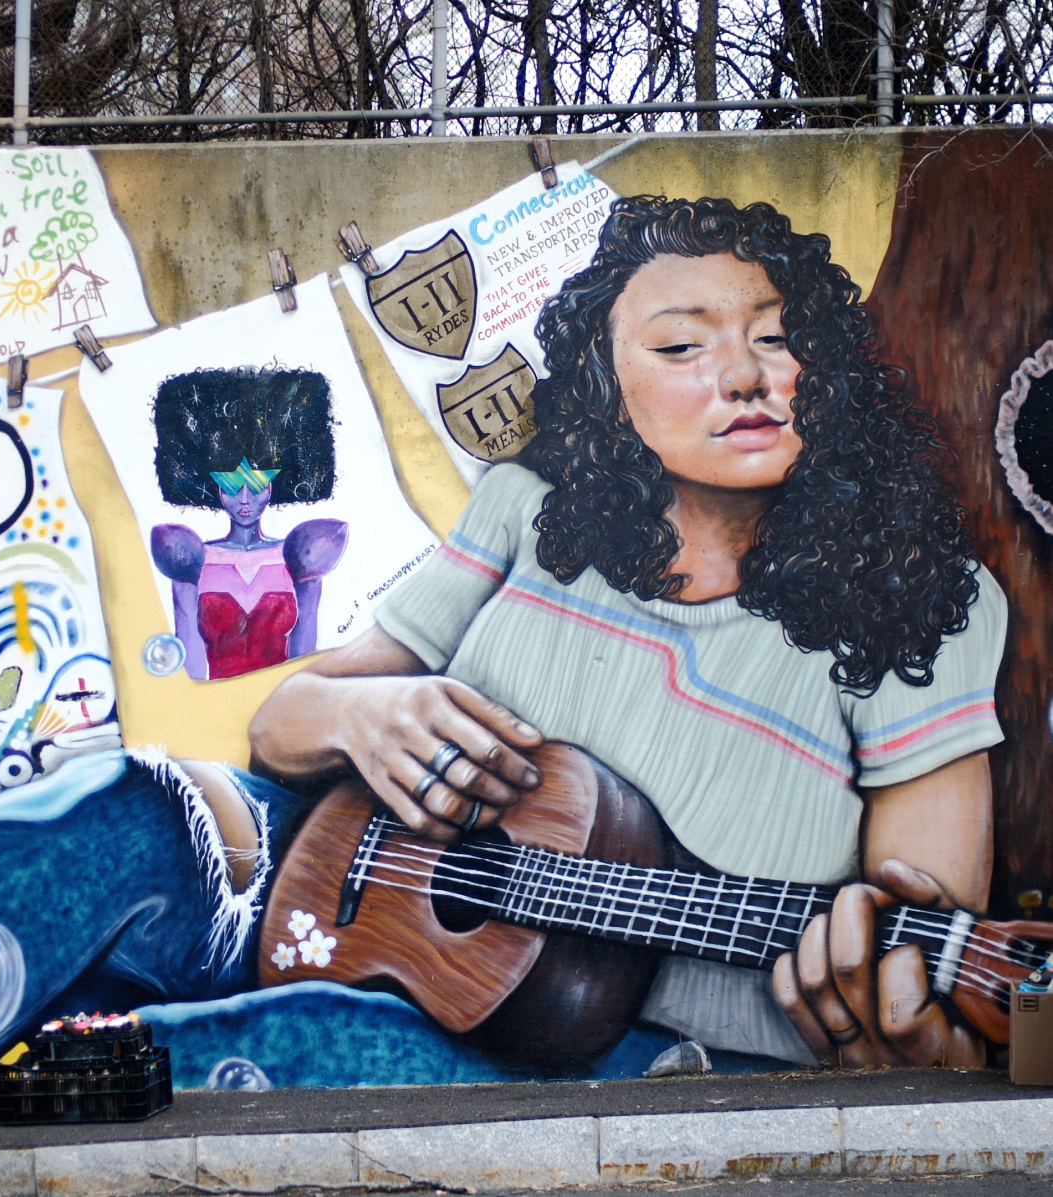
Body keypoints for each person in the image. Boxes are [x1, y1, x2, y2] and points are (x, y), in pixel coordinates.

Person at [249, 195, 1006, 1068]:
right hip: (397, 963)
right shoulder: (522, 513)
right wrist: (363, 717)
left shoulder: (924, 599)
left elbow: (925, 962)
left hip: (671, 1068)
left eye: (774, 337)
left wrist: (910, 1039)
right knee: (133, 804)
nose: (744, 377)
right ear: (607, 388)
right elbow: (282, 721)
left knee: (222, 1051)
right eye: (682, 346)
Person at [150, 368, 348, 680]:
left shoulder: (300, 554)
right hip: (215, 705)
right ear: (217, 489)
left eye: (255, 487)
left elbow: (305, 652)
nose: (244, 500)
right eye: (231, 487)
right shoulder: (191, 558)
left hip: (282, 702)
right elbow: (190, 657)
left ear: (270, 488)